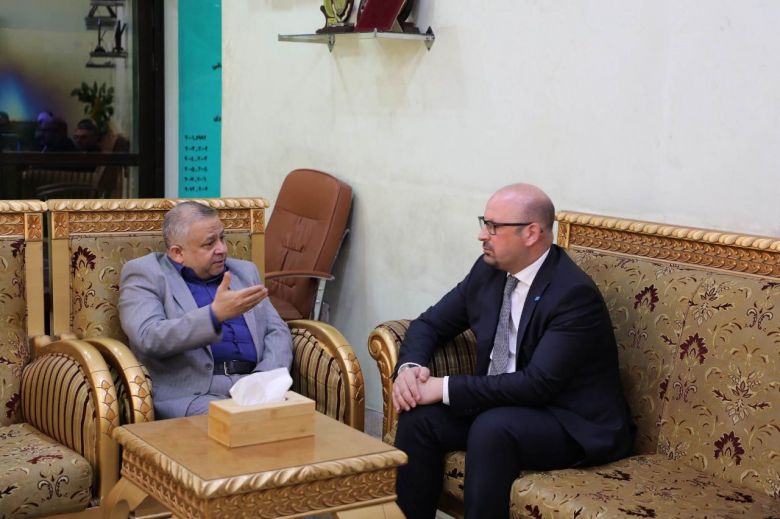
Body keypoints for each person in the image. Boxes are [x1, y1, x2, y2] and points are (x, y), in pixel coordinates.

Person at [392, 183, 635, 519]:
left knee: (494, 427)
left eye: (493, 227)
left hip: (568, 421)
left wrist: (443, 387)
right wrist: (410, 370)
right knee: (420, 418)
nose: (482, 235)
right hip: (504, 406)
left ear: (531, 233)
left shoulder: (572, 295)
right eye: (484, 223)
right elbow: (429, 324)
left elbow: (538, 384)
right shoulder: (488, 272)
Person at [119, 201, 293, 419]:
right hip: (195, 394)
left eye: (222, 238)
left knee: (303, 422)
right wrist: (213, 316)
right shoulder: (146, 274)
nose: (222, 249)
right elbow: (149, 337)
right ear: (178, 253)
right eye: (209, 243)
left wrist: (264, 379)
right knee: (245, 424)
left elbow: (277, 330)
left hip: (255, 384)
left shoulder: (244, 272)